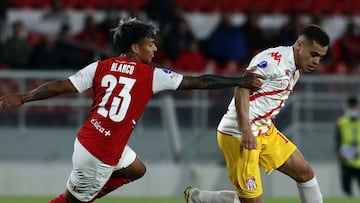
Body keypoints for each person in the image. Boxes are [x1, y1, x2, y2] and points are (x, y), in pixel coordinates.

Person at [0, 18, 264, 203]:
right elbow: (200, 81)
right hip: (100, 155)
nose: (155, 48)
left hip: (90, 140)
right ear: (136, 48)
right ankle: (85, 195)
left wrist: (23, 97)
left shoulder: (100, 66)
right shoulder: (151, 75)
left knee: (137, 170)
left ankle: (87, 192)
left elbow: (60, 86)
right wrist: (238, 80)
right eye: (150, 43)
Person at [184, 24, 329, 203]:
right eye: (313, 54)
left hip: (264, 131)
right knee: (252, 201)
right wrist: (246, 131)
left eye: (321, 57)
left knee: (305, 173)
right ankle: (199, 198)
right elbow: (242, 89)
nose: (316, 61)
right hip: (238, 133)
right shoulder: (273, 63)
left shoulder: (295, 68)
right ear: (299, 45)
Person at [335, 96, 360, 197]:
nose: (353, 108)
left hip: (359, 158)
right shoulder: (341, 122)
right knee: (346, 189)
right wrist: (338, 151)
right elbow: (337, 138)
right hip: (346, 157)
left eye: (354, 106)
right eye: (351, 106)